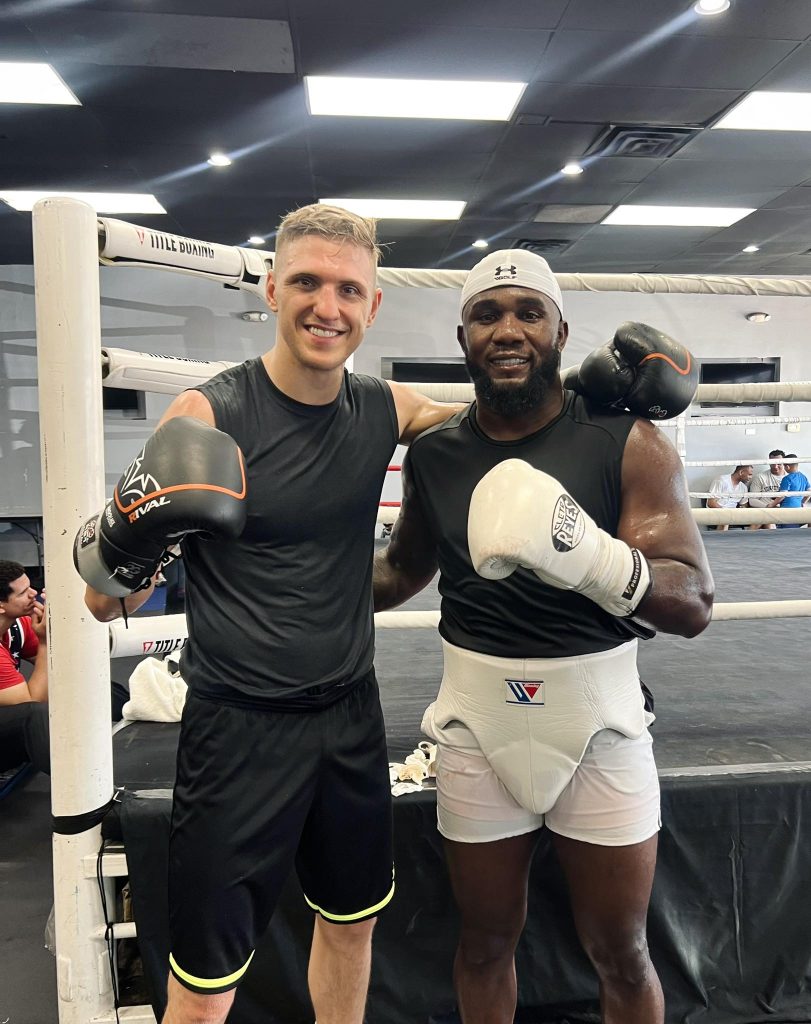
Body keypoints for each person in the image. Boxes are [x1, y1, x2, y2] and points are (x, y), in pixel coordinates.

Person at [76, 211, 696, 1024]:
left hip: (348, 720)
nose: (325, 306)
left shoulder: (383, 408)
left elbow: (492, 416)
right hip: (237, 731)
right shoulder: (206, 414)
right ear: (272, 289)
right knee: (204, 985)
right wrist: (128, 537)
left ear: (371, 307)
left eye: (347, 290)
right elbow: (103, 602)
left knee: (351, 926)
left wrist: (587, 387)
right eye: (306, 282)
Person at [374, 249, 714, 1024]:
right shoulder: (435, 452)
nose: (507, 330)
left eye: (528, 313)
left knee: (621, 951)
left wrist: (589, 555)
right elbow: (398, 571)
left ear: (559, 333)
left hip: (597, 725)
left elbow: (691, 600)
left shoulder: (625, 441)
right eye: (486, 315)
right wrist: (279, 566)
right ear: (462, 337)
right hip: (477, 724)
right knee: (483, 944)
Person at [0, 560, 50, 776]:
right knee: (34, 716)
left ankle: (138, 711)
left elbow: (59, 669)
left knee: (76, 681)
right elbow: (33, 701)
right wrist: (45, 642)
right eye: (23, 593)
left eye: (30, 586)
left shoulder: (17, 625)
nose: (34, 594)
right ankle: (75, 785)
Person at [707, 464, 753, 531]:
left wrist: (741, 509)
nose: (751, 477)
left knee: (761, 517)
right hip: (717, 512)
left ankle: (747, 537)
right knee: (725, 519)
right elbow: (711, 503)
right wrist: (725, 512)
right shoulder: (721, 480)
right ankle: (721, 537)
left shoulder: (743, 487)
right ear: (741, 472)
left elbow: (744, 505)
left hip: (733, 514)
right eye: (749, 474)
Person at [747, 450, 785, 530]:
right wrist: (768, 507)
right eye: (772, 463)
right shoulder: (760, 477)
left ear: (784, 462)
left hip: (783, 511)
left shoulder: (791, 478)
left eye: (779, 463)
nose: (775, 466)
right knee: (767, 519)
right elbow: (752, 500)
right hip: (764, 511)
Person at [771, 455, 810, 528]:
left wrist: (772, 504)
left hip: (787, 509)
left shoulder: (787, 478)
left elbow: (782, 495)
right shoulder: (803, 477)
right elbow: (809, 492)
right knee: (794, 529)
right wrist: (802, 502)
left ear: (787, 467)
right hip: (798, 509)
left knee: (787, 530)